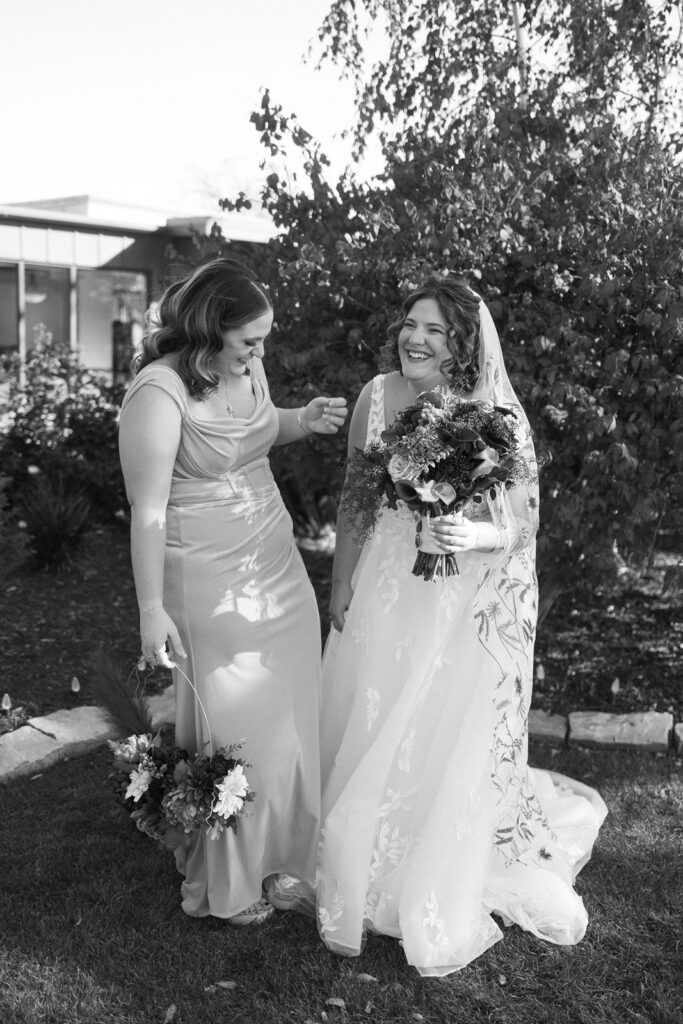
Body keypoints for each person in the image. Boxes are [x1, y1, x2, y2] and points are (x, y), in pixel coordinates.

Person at [317, 278, 607, 975]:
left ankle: (425, 858)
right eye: (408, 324)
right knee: (372, 705)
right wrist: (341, 585)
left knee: (435, 719)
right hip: (388, 579)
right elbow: (357, 501)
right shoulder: (376, 397)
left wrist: (467, 534)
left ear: (462, 345)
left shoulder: (494, 415)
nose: (412, 338)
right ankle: (354, 848)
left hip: (457, 601)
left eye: (433, 330)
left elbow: (520, 524)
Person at [118, 258, 347, 925]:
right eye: (250, 339)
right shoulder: (157, 394)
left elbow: (260, 432)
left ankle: (286, 861)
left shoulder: (247, 369)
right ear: (209, 329)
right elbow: (149, 511)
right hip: (205, 572)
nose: (260, 352)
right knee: (242, 727)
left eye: (264, 340)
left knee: (291, 720)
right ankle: (230, 880)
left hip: (274, 562)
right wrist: (151, 610)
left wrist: (304, 417)